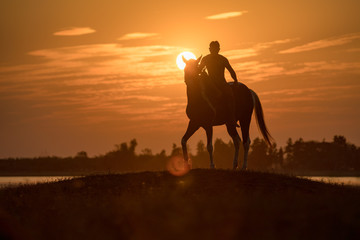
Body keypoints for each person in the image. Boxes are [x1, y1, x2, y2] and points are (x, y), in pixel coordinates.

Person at [198, 41, 238, 126]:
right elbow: (199, 70)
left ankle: (232, 118)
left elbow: (231, 70)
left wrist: (235, 80)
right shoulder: (205, 59)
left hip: (222, 84)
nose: (214, 50)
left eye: (216, 49)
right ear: (209, 49)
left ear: (219, 49)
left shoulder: (223, 59)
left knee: (230, 96)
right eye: (212, 49)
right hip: (210, 84)